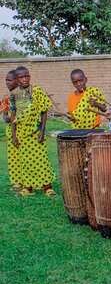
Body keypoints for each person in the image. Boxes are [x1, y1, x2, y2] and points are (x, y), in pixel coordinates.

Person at [9, 66, 56, 197]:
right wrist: (14, 135)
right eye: (21, 77)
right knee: (25, 161)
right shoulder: (13, 95)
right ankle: (28, 188)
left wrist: (42, 131)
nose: (24, 79)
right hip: (22, 132)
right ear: (17, 80)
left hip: (36, 131)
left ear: (30, 76)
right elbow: (13, 115)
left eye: (26, 76)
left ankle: (47, 187)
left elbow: (44, 111)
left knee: (42, 160)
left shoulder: (37, 91)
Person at [2, 70, 20, 190]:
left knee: (23, 157)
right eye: (6, 80)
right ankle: (17, 181)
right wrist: (6, 118)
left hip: (21, 131)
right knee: (13, 158)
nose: (7, 83)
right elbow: (4, 114)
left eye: (10, 80)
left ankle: (27, 182)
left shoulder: (22, 96)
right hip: (10, 131)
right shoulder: (6, 97)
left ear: (17, 81)